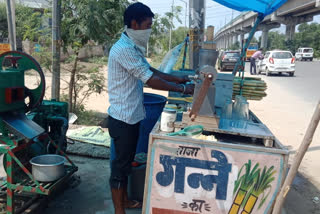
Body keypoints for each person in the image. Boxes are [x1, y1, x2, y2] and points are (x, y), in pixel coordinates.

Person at [107, 3, 194, 214]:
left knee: (126, 164)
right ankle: (120, 210)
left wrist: (178, 78)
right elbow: (151, 80)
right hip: (123, 119)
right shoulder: (124, 49)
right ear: (134, 24)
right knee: (120, 168)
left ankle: (125, 201)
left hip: (131, 115)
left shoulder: (131, 47)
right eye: (147, 25)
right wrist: (181, 88)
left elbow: (151, 70)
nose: (149, 30)